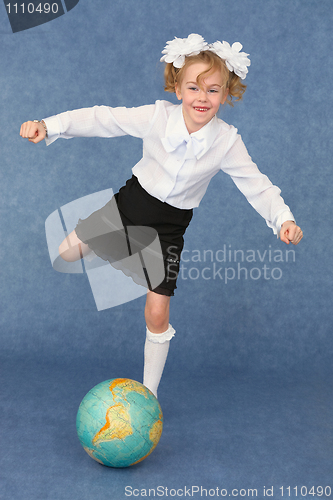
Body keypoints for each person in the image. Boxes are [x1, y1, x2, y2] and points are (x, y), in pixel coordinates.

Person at [20, 34, 303, 398]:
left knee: (157, 313)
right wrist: (50, 125)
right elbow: (103, 119)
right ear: (177, 88)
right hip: (130, 206)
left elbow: (257, 185)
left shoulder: (227, 142)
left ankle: (149, 395)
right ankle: (101, 240)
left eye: (213, 90)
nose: (203, 98)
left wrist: (283, 219)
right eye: (194, 88)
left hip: (170, 229)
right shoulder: (156, 116)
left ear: (227, 93)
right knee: (67, 252)